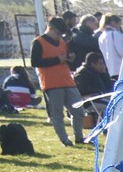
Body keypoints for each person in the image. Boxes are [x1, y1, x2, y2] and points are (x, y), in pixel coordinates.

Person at [31, 17, 84, 146]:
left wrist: (70, 59)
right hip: (52, 84)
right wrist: (56, 60)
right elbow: (35, 62)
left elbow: (64, 60)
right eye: (59, 33)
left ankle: (79, 136)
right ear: (51, 28)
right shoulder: (38, 42)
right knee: (57, 114)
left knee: (79, 111)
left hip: (68, 81)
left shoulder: (62, 42)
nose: (60, 36)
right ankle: (65, 140)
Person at [96, 15, 123, 80]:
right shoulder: (115, 34)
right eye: (119, 24)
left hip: (109, 69)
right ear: (113, 23)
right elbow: (122, 51)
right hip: (120, 68)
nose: (120, 27)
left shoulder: (101, 36)